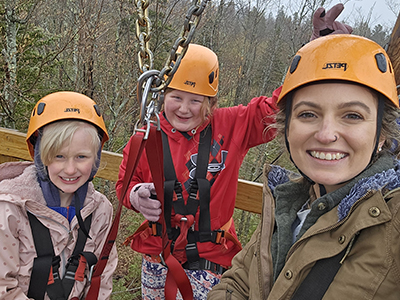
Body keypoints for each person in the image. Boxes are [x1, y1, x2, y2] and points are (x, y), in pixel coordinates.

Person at [116, 4, 352, 299]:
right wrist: (135, 195)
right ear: (164, 96)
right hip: (157, 254)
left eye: (196, 100)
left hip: (211, 256)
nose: (184, 108)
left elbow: (282, 103)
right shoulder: (148, 134)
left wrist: (321, 50)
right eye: (176, 97)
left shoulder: (233, 126)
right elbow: (124, 183)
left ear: (210, 103)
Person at [208, 34, 400, 299]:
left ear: (382, 134)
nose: (326, 134)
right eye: (308, 114)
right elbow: (237, 283)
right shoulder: (287, 205)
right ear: (286, 129)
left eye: (352, 116)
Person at [0, 91, 118, 299]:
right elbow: (3, 287)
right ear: (40, 156)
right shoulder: (10, 209)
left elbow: (101, 278)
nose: (70, 169)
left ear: (96, 158)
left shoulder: (100, 211)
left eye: (81, 156)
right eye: (59, 157)